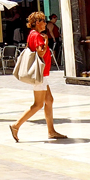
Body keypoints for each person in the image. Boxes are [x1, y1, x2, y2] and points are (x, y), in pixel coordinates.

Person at [10, 12, 65, 142]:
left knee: (49, 100)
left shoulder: (32, 34)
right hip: (39, 74)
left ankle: (51, 131)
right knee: (38, 104)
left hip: (42, 74)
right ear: (37, 23)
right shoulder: (36, 35)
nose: (45, 23)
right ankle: (16, 125)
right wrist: (46, 40)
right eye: (43, 21)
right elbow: (41, 52)